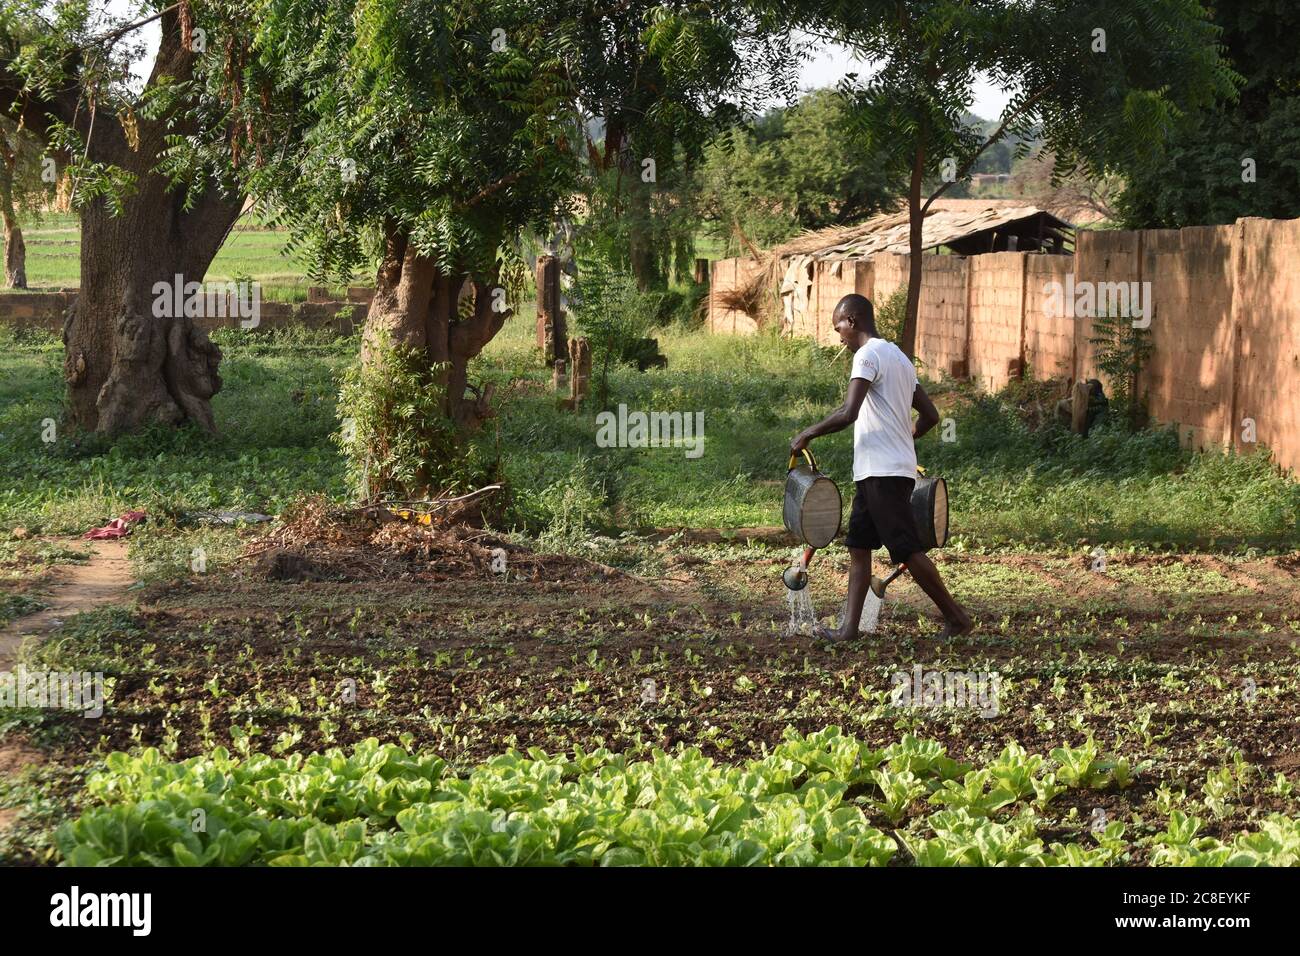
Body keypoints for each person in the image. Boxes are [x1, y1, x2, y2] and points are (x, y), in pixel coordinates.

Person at [790, 294, 972, 641]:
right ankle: (848, 630)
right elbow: (931, 417)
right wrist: (904, 439)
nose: (838, 335)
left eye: (838, 326)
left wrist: (807, 433)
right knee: (859, 546)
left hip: (883, 473)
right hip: (880, 470)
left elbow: (849, 412)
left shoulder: (867, 355)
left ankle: (957, 618)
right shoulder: (899, 359)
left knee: (905, 549)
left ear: (853, 321)